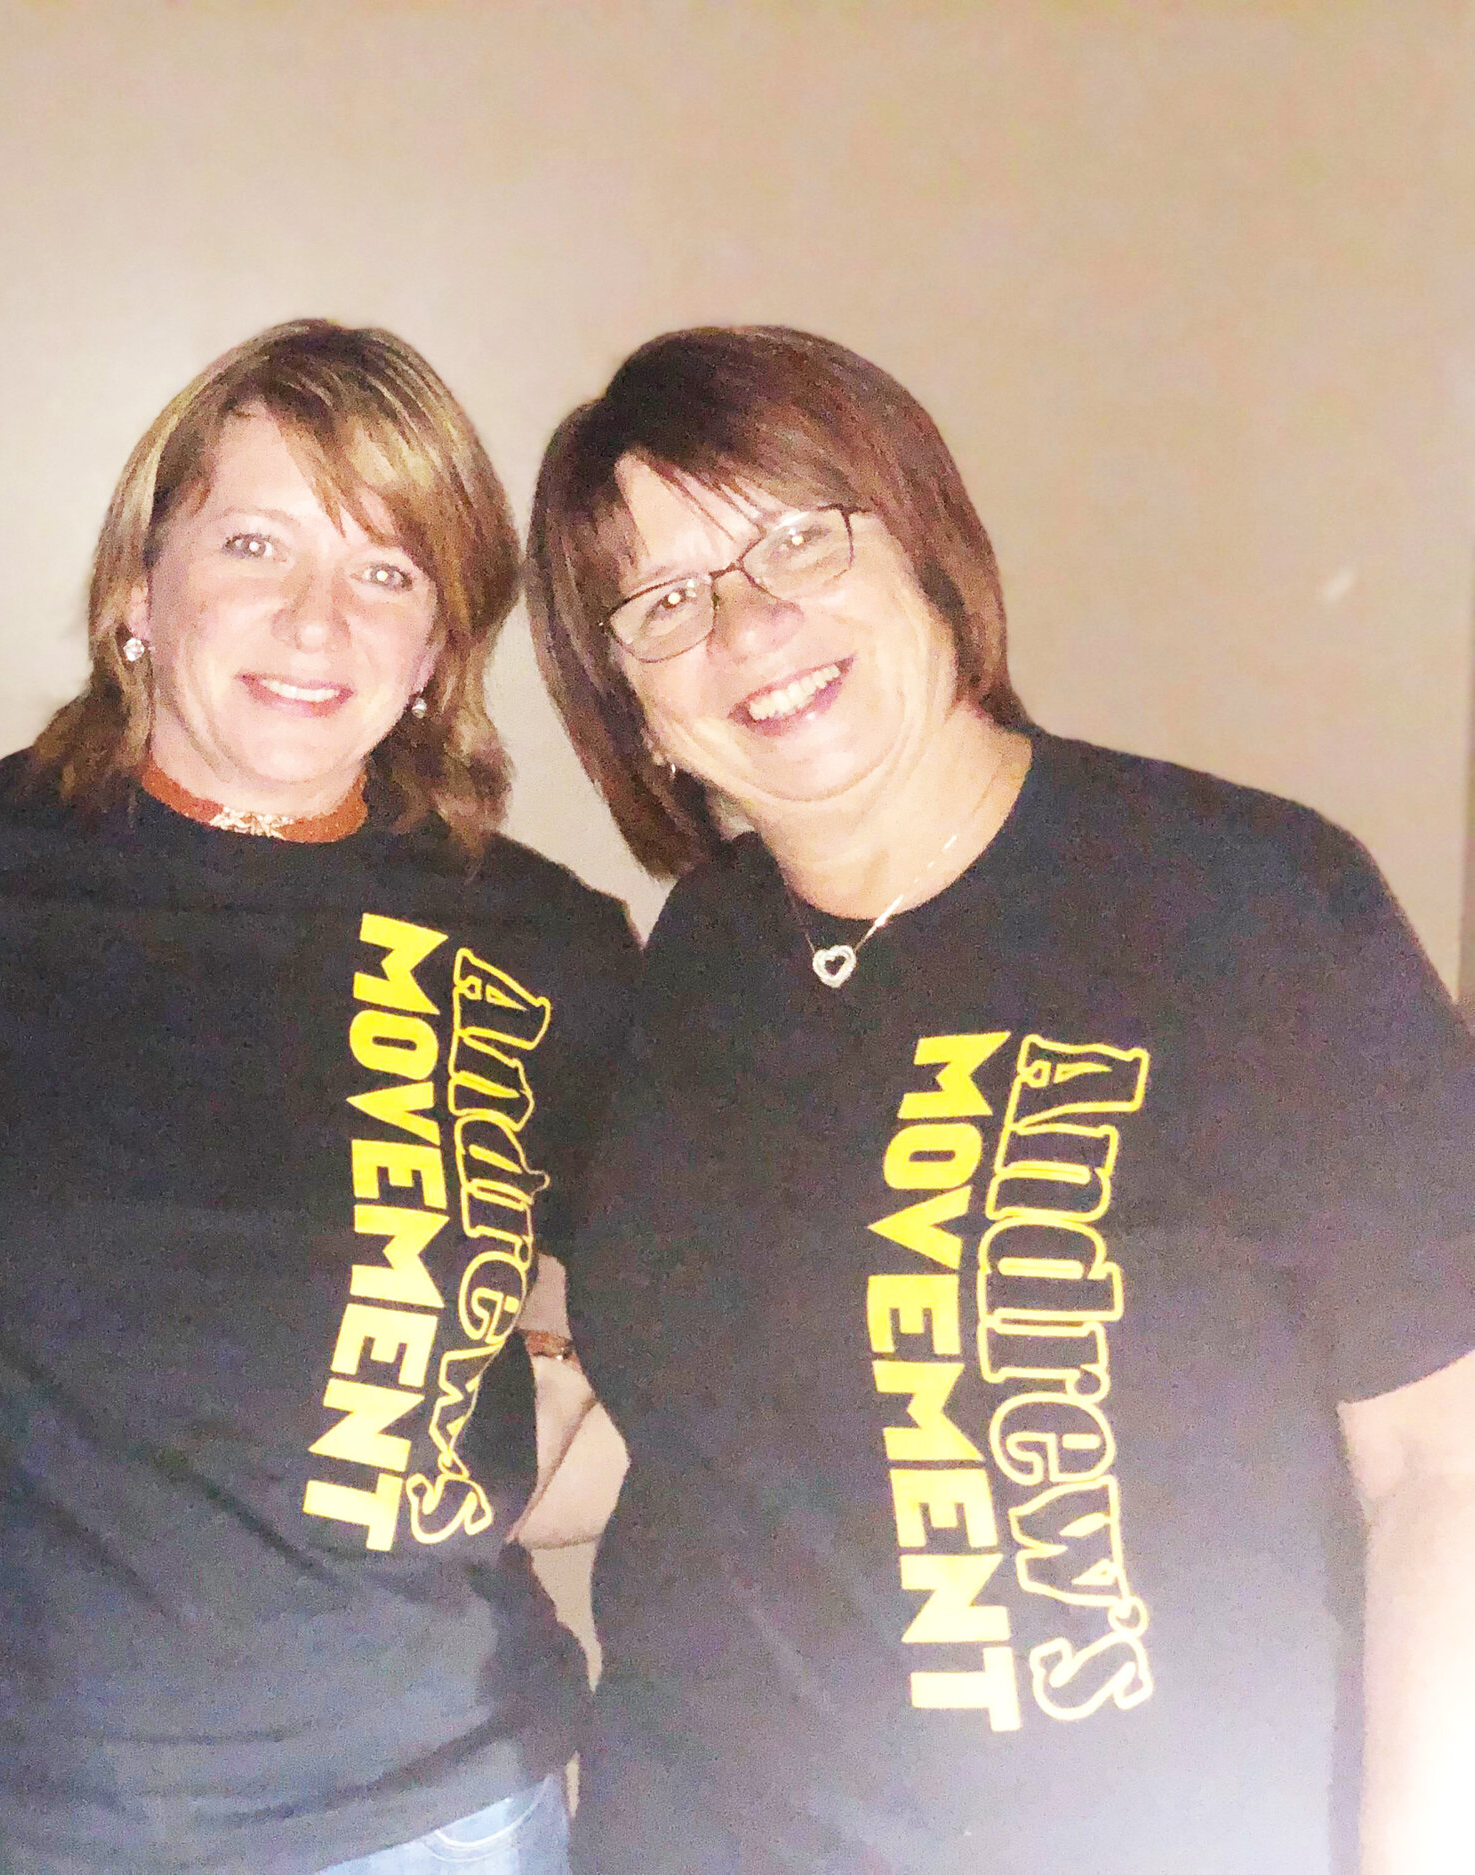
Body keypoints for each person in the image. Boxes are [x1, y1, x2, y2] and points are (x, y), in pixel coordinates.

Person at [521, 325, 1475, 1873]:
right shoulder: (692, 964)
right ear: (628, 703)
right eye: (666, 600)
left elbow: (1446, 1470)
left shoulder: (1249, 906)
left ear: (924, 547)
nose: (748, 624)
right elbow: (707, 1422)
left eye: (798, 539)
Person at [0, 320, 638, 1873]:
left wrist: (547, 1358)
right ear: (135, 594)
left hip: (423, 1815)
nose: (316, 619)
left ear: (437, 648)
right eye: (254, 543)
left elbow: (660, 1266)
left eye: (386, 571)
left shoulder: (545, 941)